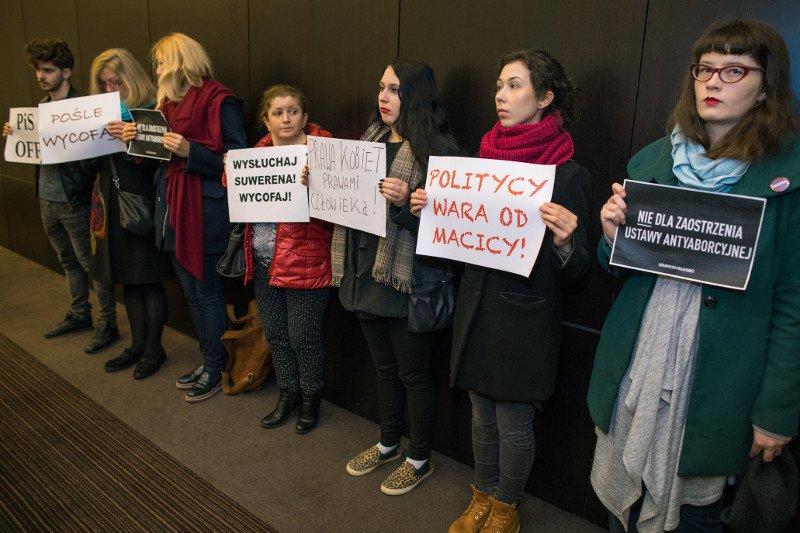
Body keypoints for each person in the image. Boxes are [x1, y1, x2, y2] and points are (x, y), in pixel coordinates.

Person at [588, 18, 800, 532]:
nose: (712, 82)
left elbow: (794, 307)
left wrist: (775, 413)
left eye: (733, 70)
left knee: (694, 517)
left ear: (764, 86)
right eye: (705, 69)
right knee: (621, 509)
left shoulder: (787, 180)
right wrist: (611, 235)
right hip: (638, 365)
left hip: (713, 381)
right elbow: (613, 267)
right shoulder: (653, 160)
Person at [412, 50, 591, 532]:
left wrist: (568, 241)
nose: (500, 96)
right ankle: (482, 496)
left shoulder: (569, 175)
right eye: (498, 85)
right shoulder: (478, 164)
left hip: (527, 320)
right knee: (479, 417)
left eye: (514, 85)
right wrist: (433, 212)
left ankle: (507, 507)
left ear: (546, 97)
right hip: (477, 310)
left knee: (513, 425)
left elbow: (578, 274)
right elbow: (457, 243)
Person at [337, 59, 461, 495]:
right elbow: (346, 206)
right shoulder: (366, 143)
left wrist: (406, 205)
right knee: (384, 370)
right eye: (381, 87)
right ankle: (389, 442)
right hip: (366, 278)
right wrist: (320, 184)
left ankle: (419, 457)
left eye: (394, 89)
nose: (383, 97)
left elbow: (450, 237)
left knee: (414, 375)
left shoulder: (442, 153)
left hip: (410, 284)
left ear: (415, 96)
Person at [123, 33, 246, 402]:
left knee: (206, 294)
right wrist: (134, 139)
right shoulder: (166, 105)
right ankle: (211, 360)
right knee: (192, 295)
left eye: (160, 62)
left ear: (178, 62)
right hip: (172, 209)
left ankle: (217, 366)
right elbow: (157, 158)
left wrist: (191, 150)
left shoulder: (218, 100)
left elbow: (239, 161)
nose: (156, 69)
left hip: (205, 212)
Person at [225, 84, 332, 433]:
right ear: (266, 119)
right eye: (278, 112)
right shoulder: (255, 154)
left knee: (304, 338)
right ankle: (287, 394)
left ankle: (310, 399)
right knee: (277, 336)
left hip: (306, 262)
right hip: (264, 260)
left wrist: (319, 185)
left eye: (293, 111)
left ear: (305, 116)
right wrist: (231, 173)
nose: (286, 118)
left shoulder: (326, 153)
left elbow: (342, 210)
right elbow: (240, 195)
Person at [2, 38, 119, 354]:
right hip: (46, 199)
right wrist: (17, 135)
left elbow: (93, 160)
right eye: (39, 70)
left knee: (90, 264)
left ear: (66, 72)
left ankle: (108, 323)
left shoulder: (82, 109)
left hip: (74, 200)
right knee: (68, 261)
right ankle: (80, 314)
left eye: (49, 70)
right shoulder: (39, 108)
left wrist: (71, 148)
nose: (42, 75)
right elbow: (32, 149)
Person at [85, 48, 173, 379]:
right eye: (104, 84)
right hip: (110, 205)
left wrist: (130, 140)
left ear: (131, 79)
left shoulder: (150, 109)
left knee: (148, 279)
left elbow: (160, 160)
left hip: (143, 203)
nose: (110, 90)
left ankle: (154, 349)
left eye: (116, 82)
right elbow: (84, 163)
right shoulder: (95, 114)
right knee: (129, 282)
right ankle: (137, 345)